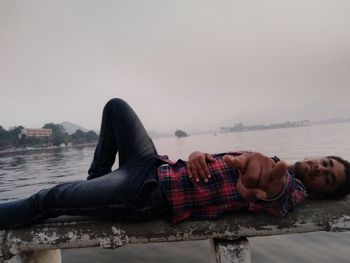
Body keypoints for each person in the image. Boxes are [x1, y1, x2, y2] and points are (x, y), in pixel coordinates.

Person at [0, 98, 349, 229]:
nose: (320, 168)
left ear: (319, 194)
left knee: (46, 200)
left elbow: (277, 199)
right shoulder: (271, 161)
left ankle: (95, 193)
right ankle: (95, 187)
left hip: (148, 192)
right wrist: (199, 154)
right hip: (154, 164)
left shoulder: (287, 188)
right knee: (116, 107)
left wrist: (273, 191)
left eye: (328, 179)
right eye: (327, 162)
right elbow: (223, 165)